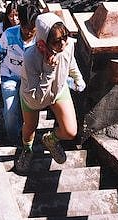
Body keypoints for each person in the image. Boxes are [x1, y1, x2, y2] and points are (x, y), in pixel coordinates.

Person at [15, 12, 86, 174]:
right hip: (33, 96)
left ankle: (50, 140)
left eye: (65, 37)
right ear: (43, 40)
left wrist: (77, 77)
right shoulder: (30, 57)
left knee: (70, 131)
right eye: (56, 41)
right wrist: (49, 69)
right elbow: (37, 100)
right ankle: (27, 149)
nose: (62, 44)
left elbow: (70, 62)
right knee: (30, 127)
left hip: (58, 89)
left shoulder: (67, 46)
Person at [0, 3, 36, 146]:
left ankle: (27, 139)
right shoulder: (9, 34)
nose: (28, 33)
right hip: (9, 75)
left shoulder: (41, 37)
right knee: (9, 111)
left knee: (29, 112)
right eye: (25, 28)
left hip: (31, 79)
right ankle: (14, 141)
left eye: (32, 29)